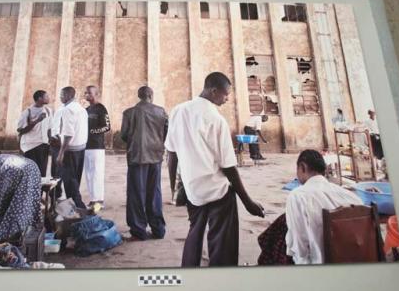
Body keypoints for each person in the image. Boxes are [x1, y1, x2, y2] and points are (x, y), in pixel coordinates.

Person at [165, 72, 265, 267]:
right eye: (225, 94)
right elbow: (229, 167)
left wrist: (174, 189)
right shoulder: (216, 119)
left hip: (193, 189)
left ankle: (189, 271)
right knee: (223, 242)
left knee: (195, 231)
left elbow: (172, 154)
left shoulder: (178, 110)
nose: (227, 99)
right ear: (213, 91)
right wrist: (248, 202)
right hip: (217, 191)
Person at [285, 149, 362, 265]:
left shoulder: (297, 196)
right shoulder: (352, 197)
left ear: (302, 167)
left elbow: (299, 247)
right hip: (356, 262)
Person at [121, 86, 167, 241]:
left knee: (136, 193)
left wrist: (135, 141)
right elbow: (166, 132)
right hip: (155, 156)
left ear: (139, 96)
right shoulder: (161, 111)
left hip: (136, 156)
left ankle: (139, 229)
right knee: (155, 192)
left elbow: (124, 135)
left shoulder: (129, 113)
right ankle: (158, 229)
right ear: (151, 96)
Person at [56, 86, 89, 208]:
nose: (60, 97)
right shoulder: (81, 109)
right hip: (81, 148)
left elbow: (69, 134)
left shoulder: (67, 110)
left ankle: (78, 207)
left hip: (71, 150)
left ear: (68, 96)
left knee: (70, 181)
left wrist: (61, 153)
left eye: (61, 94)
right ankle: (76, 205)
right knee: (75, 179)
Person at [84, 86, 111, 210]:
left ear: (96, 94)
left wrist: (92, 132)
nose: (86, 94)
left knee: (97, 173)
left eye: (89, 93)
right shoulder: (86, 109)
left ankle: (99, 200)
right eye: (86, 92)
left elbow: (107, 126)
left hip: (97, 147)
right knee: (89, 174)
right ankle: (93, 199)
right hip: (85, 146)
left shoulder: (101, 108)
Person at [17, 90, 52, 177]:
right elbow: (20, 130)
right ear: (40, 98)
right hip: (30, 147)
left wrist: (50, 142)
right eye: (46, 96)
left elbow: (50, 128)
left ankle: (38, 191)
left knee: (41, 174)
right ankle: (30, 190)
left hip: (43, 146)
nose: (49, 98)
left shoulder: (48, 111)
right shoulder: (27, 112)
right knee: (30, 174)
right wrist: (37, 121)